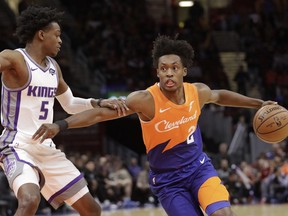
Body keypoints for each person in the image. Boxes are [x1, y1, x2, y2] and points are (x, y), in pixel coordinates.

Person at [33, 35, 277, 216]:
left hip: (199, 169)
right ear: (157, 73)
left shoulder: (197, 92)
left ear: (184, 71)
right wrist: (61, 125)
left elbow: (220, 95)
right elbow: (99, 115)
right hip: (168, 181)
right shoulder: (145, 100)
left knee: (224, 214)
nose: (169, 74)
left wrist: (258, 103)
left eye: (174, 69)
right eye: (163, 69)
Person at [0, 6, 128, 216]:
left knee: (92, 210)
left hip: (46, 148)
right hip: (16, 145)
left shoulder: (53, 68)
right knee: (30, 200)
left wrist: (97, 102)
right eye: (57, 35)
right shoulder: (14, 59)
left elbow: (69, 104)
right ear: (41, 34)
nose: (60, 41)